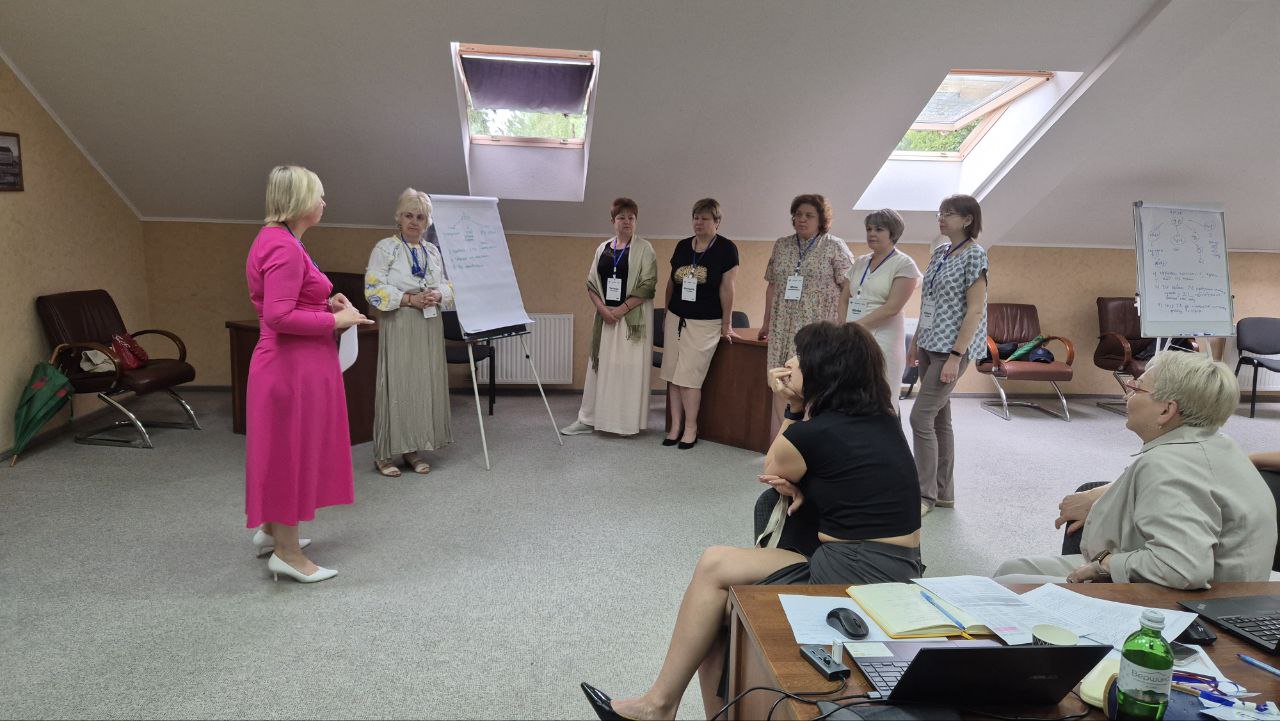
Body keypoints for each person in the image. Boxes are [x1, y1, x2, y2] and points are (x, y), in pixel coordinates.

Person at [581, 322, 922, 721]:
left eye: (800, 357)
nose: (789, 362)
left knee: (714, 573)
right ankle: (660, 706)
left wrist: (793, 408)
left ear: (825, 371)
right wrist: (803, 484)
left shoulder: (814, 433)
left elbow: (774, 466)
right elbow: (844, 479)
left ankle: (657, 706)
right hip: (895, 568)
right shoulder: (884, 420)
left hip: (851, 574)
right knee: (715, 601)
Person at [995, 351, 1276, 589]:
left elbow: (1182, 569)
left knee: (1007, 586)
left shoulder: (1167, 464)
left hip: (1186, 603)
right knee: (1012, 568)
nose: (1126, 392)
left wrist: (1105, 564)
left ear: (1167, 410)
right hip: (1212, 587)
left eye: (1136, 388)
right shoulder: (1217, 444)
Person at [244, 165, 373, 583]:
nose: (324, 203)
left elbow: (289, 300)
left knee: (285, 449)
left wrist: (325, 304)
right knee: (289, 454)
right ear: (301, 201)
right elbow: (279, 316)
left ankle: (272, 531)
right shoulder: (283, 246)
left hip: (292, 364)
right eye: (318, 195)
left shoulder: (281, 240)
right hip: (289, 368)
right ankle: (288, 554)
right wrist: (335, 321)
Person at [363, 188, 453, 477]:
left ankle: (412, 449)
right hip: (400, 321)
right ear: (398, 218)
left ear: (427, 222)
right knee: (397, 385)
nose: (414, 222)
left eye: (420, 217)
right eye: (409, 216)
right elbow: (373, 290)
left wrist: (438, 295)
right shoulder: (385, 248)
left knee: (421, 386)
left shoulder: (432, 251)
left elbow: (448, 286)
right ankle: (384, 453)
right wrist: (409, 299)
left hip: (429, 324)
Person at [909, 194, 988, 516]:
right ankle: (943, 493)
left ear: (967, 220)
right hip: (929, 343)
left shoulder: (975, 255)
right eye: (940, 213)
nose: (941, 218)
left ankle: (924, 495)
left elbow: (975, 310)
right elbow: (928, 301)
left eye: (949, 214)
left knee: (920, 417)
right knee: (940, 420)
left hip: (951, 349)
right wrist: (915, 341)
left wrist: (956, 356)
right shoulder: (940, 252)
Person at [561, 197, 658, 437]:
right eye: (621, 217)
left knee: (626, 370)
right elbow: (591, 283)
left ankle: (623, 423)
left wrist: (621, 310)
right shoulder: (602, 248)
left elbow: (648, 285)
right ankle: (588, 419)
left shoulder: (645, 248)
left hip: (631, 319)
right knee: (600, 367)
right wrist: (604, 310)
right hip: (605, 318)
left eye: (631, 218)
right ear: (613, 221)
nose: (627, 222)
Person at [758, 194, 854, 437]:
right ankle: (780, 442)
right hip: (781, 326)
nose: (802, 219)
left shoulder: (834, 246)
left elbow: (849, 288)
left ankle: (808, 443)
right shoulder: (782, 245)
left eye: (809, 215)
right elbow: (772, 285)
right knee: (780, 382)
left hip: (816, 329)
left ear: (821, 220)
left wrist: (843, 325)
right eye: (798, 214)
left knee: (811, 385)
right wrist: (766, 322)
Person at [661, 198, 740, 449]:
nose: (699, 222)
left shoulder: (726, 249)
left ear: (717, 222)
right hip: (676, 318)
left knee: (689, 378)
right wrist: (666, 313)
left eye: (705, 218)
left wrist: (726, 324)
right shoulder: (683, 246)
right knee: (673, 376)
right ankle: (675, 426)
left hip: (705, 323)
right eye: (696, 218)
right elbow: (672, 282)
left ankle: (691, 428)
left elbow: (727, 289)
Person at [838, 208, 921, 416]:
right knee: (851, 393)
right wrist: (844, 327)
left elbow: (892, 307)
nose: (872, 234)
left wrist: (855, 327)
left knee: (881, 396)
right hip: (852, 336)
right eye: (869, 229)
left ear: (893, 233)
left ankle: (885, 434)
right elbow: (844, 297)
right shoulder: (860, 262)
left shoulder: (904, 264)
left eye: (879, 229)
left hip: (884, 338)